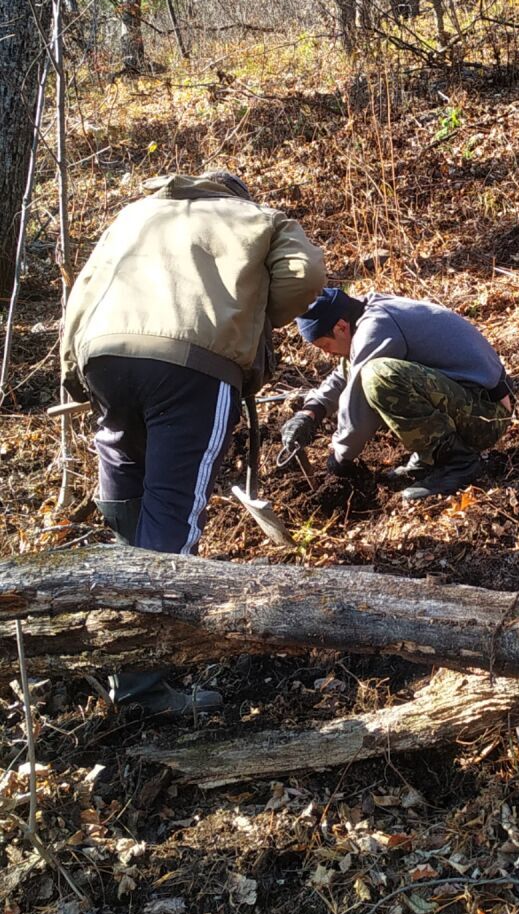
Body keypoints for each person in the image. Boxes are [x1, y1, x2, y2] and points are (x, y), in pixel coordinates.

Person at [60, 170, 325, 718]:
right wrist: (244, 318)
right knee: (172, 513)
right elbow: (305, 278)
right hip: (193, 370)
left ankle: (117, 627)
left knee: (124, 483)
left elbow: (83, 292)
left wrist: (73, 369)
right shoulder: (261, 219)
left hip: (105, 355)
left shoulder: (134, 215)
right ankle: (141, 687)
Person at [282, 287, 513, 499]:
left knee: (378, 377)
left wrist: (339, 459)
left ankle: (458, 463)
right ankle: (432, 457)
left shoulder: (376, 327)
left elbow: (358, 408)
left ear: (341, 327)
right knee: (373, 373)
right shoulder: (363, 315)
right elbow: (346, 372)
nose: (327, 354)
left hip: (487, 417)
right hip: (477, 404)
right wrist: (310, 413)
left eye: (325, 346)